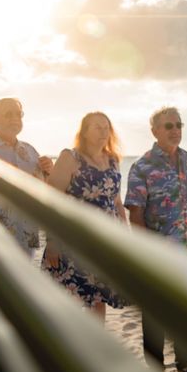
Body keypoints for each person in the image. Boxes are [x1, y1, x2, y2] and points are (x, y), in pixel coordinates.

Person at [125, 106, 187, 372]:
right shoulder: (142, 167)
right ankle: (155, 370)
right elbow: (135, 214)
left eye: (178, 125)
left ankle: (185, 362)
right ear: (155, 131)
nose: (175, 130)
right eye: (169, 126)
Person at [41, 112, 127, 321]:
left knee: (98, 299)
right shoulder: (70, 157)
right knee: (67, 300)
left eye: (106, 127)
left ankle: (96, 351)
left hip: (104, 242)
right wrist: (52, 242)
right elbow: (51, 199)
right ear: (85, 132)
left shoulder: (112, 160)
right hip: (72, 240)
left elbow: (116, 203)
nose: (103, 131)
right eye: (97, 127)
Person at [0, 97, 53, 257]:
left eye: (18, 114)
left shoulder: (31, 152)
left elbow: (43, 194)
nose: (15, 119)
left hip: (26, 240)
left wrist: (49, 172)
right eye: (8, 114)